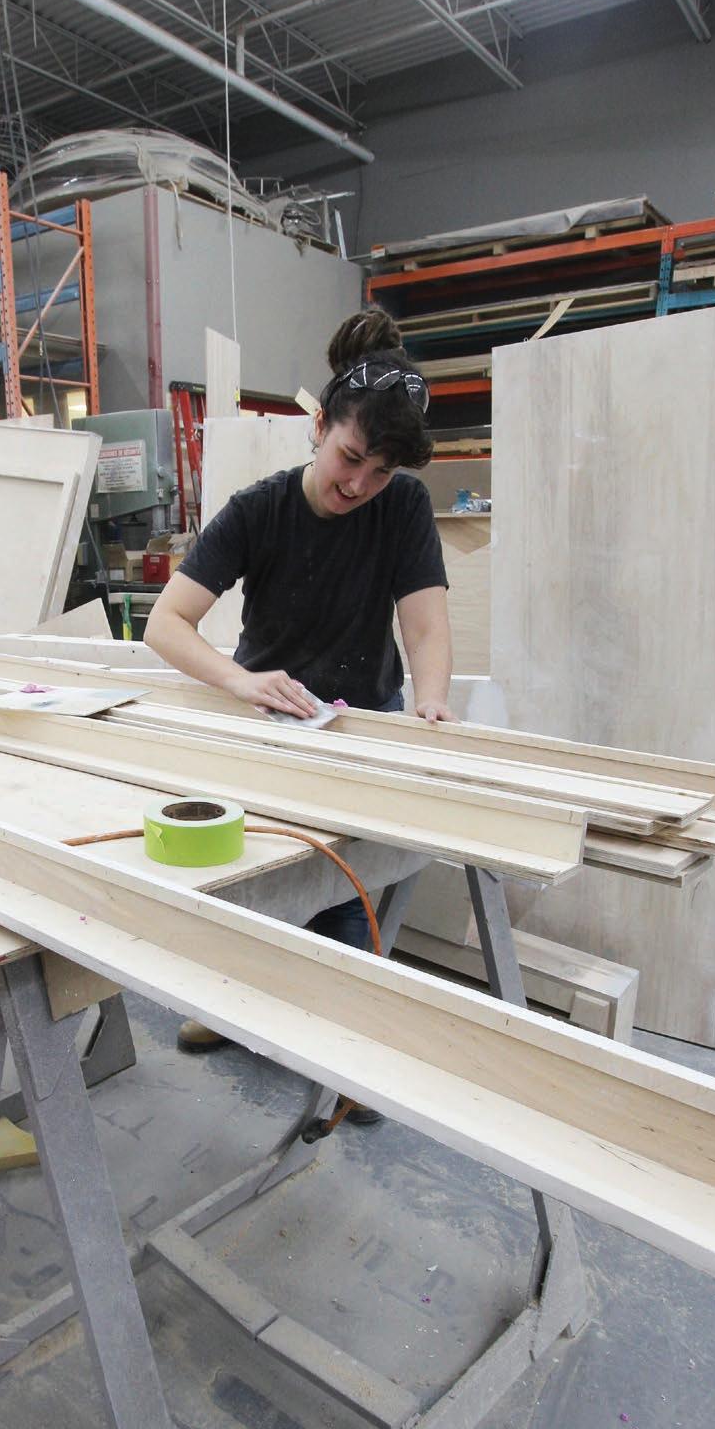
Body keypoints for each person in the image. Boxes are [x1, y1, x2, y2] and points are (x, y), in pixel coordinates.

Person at [145, 310, 453, 1096]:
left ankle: (345, 1056)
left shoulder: (402, 506)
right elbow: (165, 624)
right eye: (349, 458)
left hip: (358, 721)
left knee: (346, 891)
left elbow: (423, 623)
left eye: (378, 471)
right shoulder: (259, 509)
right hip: (266, 723)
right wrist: (238, 681)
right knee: (251, 884)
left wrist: (431, 705)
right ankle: (235, 1008)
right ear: (318, 426)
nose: (358, 485)